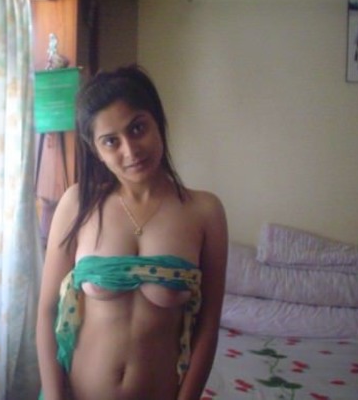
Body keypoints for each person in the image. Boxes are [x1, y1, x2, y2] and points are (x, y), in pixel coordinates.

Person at [36, 65, 228, 400]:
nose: (131, 150)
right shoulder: (77, 204)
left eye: (138, 128)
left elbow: (208, 327)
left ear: (158, 122)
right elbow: (47, 311)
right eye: (111, 141)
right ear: (96, 150)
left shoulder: (205, 212)